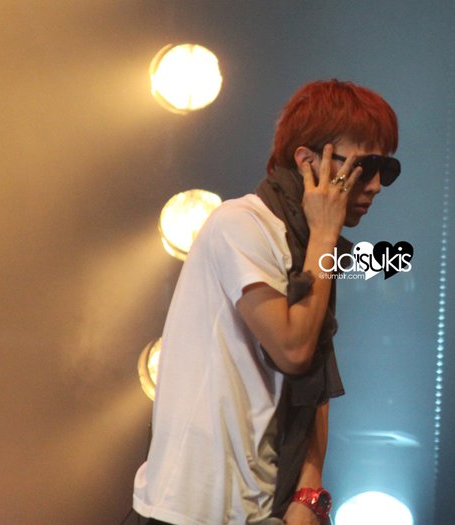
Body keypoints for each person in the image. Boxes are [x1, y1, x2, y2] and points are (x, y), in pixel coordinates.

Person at [133, 79, 399, 525]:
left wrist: (309, 493)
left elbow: (316, 374)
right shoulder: (240, 224)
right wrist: (325, 236)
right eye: (365, 166)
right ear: (308, 161)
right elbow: (294, 349)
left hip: (267, 503)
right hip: (197, 509)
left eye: (386, 170)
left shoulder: (315, 247)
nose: (375, 185)